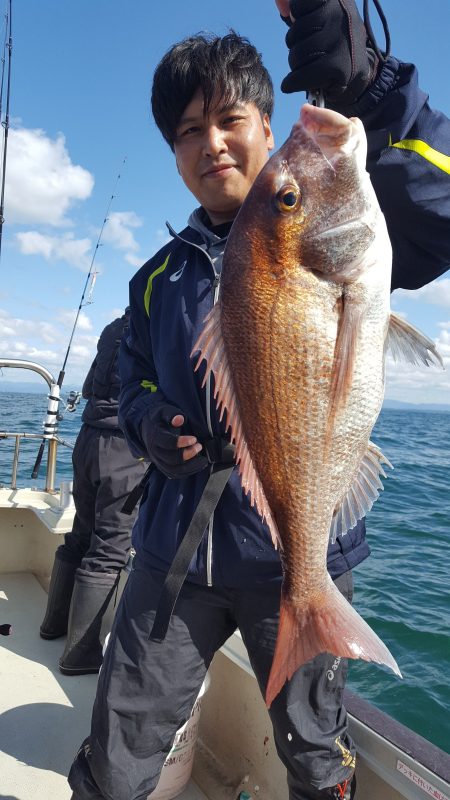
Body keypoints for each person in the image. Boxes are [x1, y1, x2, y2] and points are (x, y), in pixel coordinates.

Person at [68, 2, 450, 798]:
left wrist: (375, 88)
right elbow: (130, 379)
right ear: (174, 155)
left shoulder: (335, 224)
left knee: (314, 753)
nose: (211, 143)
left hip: (299, 559)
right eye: (188, 131)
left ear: (267, 127)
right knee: (118, 746)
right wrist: (148, 423)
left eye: (229, 119)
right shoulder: (154, 280)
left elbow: (440, 204)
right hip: (174, 554)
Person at [40, 308, 147, 675]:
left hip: (88, 440)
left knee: (80, 535)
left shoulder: (113, 327)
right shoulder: (161, 325)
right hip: (124, 448)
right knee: (110, 548)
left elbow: (89, 387)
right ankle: (79, 655)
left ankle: (53, 626)